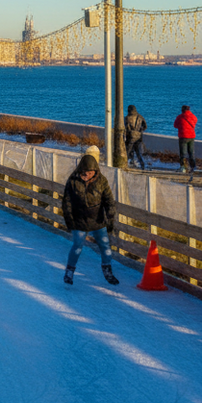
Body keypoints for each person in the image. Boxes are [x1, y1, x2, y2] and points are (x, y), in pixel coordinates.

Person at [61, 154, 120, 285]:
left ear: (95, 172)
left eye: (90, 172)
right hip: (79, 221)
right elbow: (67, 203)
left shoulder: (102, 181)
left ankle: (107, 270)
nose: (87, 174)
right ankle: (69, 271)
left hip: (97, 221)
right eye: (85, 171)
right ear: (80, 170)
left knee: (105, 246)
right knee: (77, 246)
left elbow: (109, 201)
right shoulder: (73, 181)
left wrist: (110, 219)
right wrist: (70, 221)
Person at [123, 105, 147, 170]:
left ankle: (125, 165)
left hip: (130, 136)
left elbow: (124, 128)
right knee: (137, 151)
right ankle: (142, 164)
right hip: (139, 136)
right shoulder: (140, 117)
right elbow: (145, 126)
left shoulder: (127, 118)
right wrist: (140, 130)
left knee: (127, 151)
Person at [174, 105, 196, 172]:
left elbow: (175, 125)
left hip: (183, 136)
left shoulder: (180, 117)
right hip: (191, 136)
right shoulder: (193, 116)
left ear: (182, 110)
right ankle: (193, 167)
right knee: (191, 152)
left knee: (183, 153)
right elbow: (195, 120)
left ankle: (183, 168)